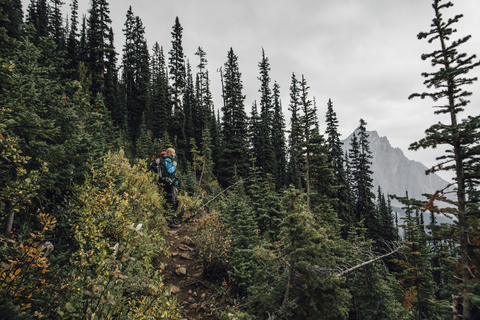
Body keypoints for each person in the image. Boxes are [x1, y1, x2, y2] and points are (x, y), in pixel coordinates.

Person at [163, 148, 181, 228]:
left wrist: (175, 186)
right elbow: (170, 171)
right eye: (174, 153)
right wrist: (174, 165)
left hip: (172, 185)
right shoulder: (168, 160)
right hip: (169, 185)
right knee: (172, 203)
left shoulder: (169, 160)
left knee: (176, 202)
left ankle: (172, 220)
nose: (175, 154)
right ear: (169, 153)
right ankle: (170, 222)